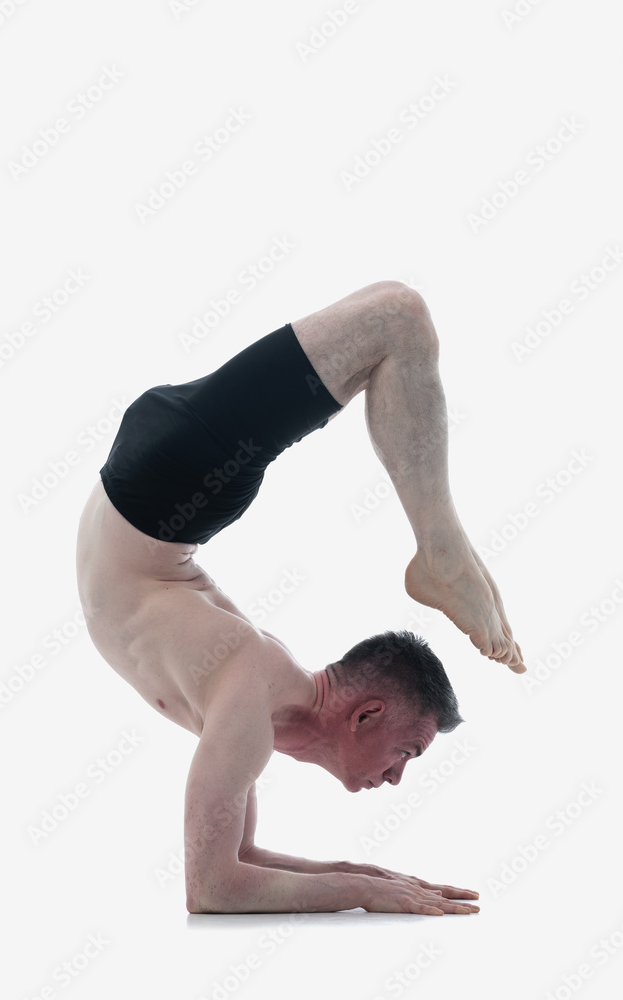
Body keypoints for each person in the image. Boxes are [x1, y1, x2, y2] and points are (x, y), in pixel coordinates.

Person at [76, 280, 525, 915]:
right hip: (165, 481)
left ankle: (444, 552)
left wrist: (360, 874)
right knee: (398, 317)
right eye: (408, 751)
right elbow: (209, 890)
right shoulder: (250, 689)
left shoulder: (252, 713)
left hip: (159, 486)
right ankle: (441, 551)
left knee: (388, 339)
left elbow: (238, 859)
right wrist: (360, 893)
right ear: (366, 714)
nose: (397, 777)